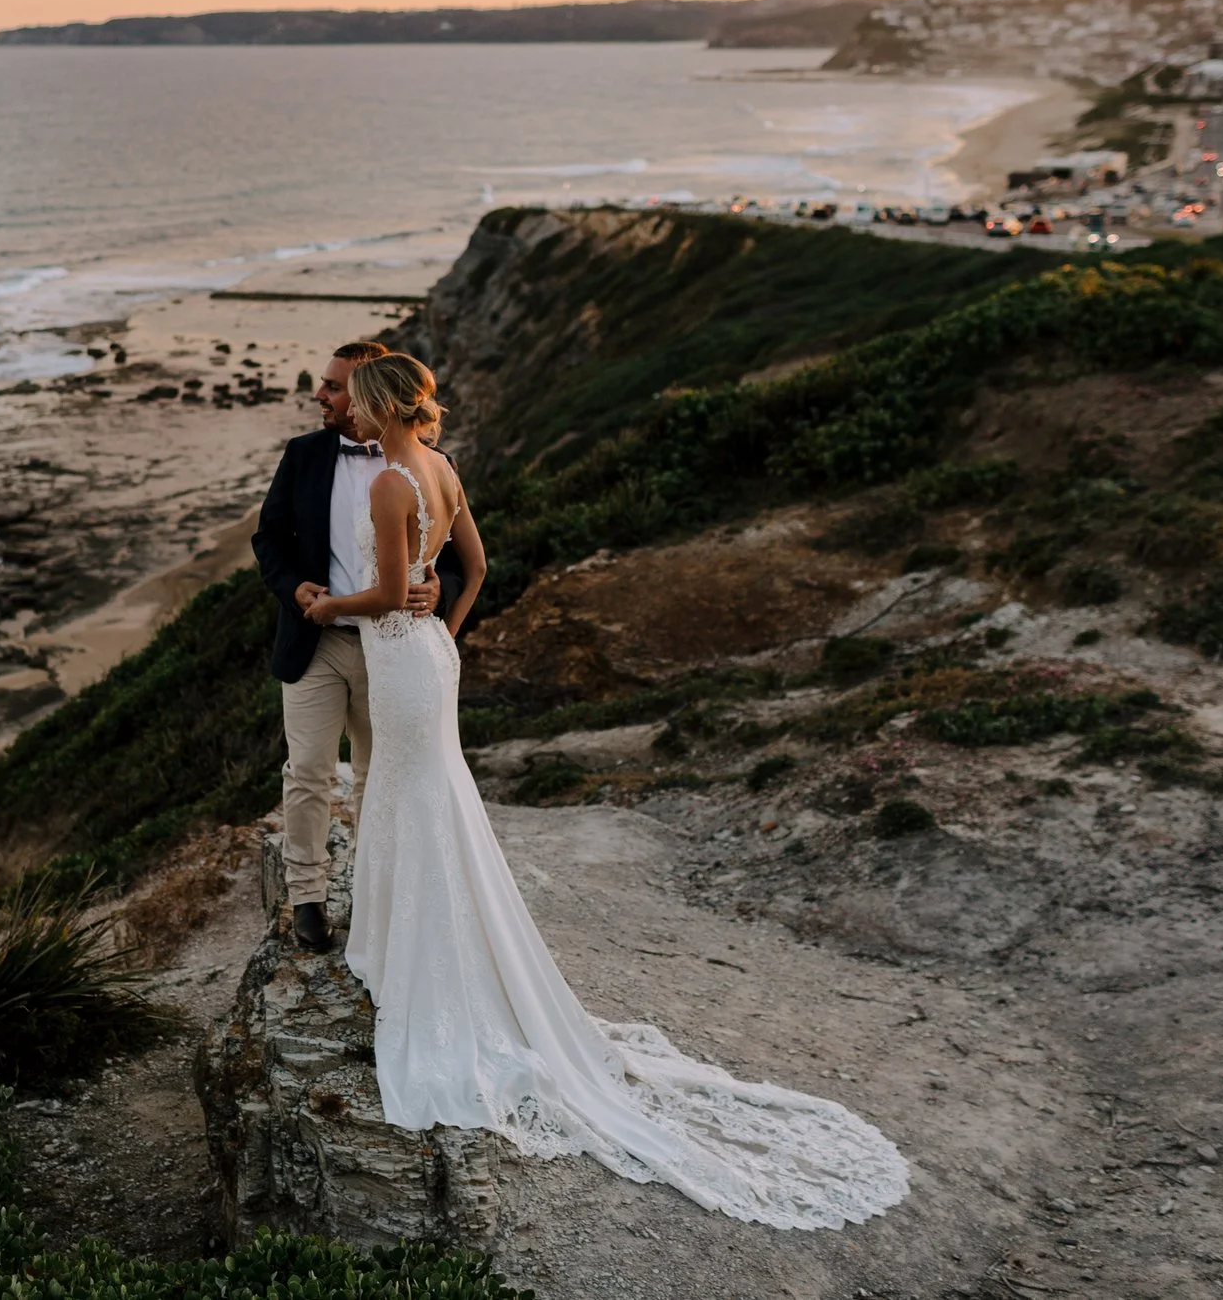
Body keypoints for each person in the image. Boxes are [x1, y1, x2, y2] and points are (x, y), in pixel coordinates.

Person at [298, 351, 912, 1235]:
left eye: (355, 400)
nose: (345, 411)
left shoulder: (396, 481)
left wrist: (330, 611)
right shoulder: (445, 468)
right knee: (426, 793)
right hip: (429, 655)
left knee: (409, 792)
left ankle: (409, 959)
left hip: (398, 655)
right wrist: (443, 634)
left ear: (383, 404)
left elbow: (393, 592)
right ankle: (405, 945)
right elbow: (473, 571)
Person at [251, 341, 462, 953]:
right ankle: (308, 900)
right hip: (315, 641)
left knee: (380, 775)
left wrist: (436, 594)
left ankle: (375, 897)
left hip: (390, 649)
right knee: (308, 773)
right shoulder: (305, 455)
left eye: (334, 387)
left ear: (372, 396)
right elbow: (269, 539)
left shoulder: (427, 462)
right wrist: (294, 590)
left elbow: (453, 557)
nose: (321, 395)